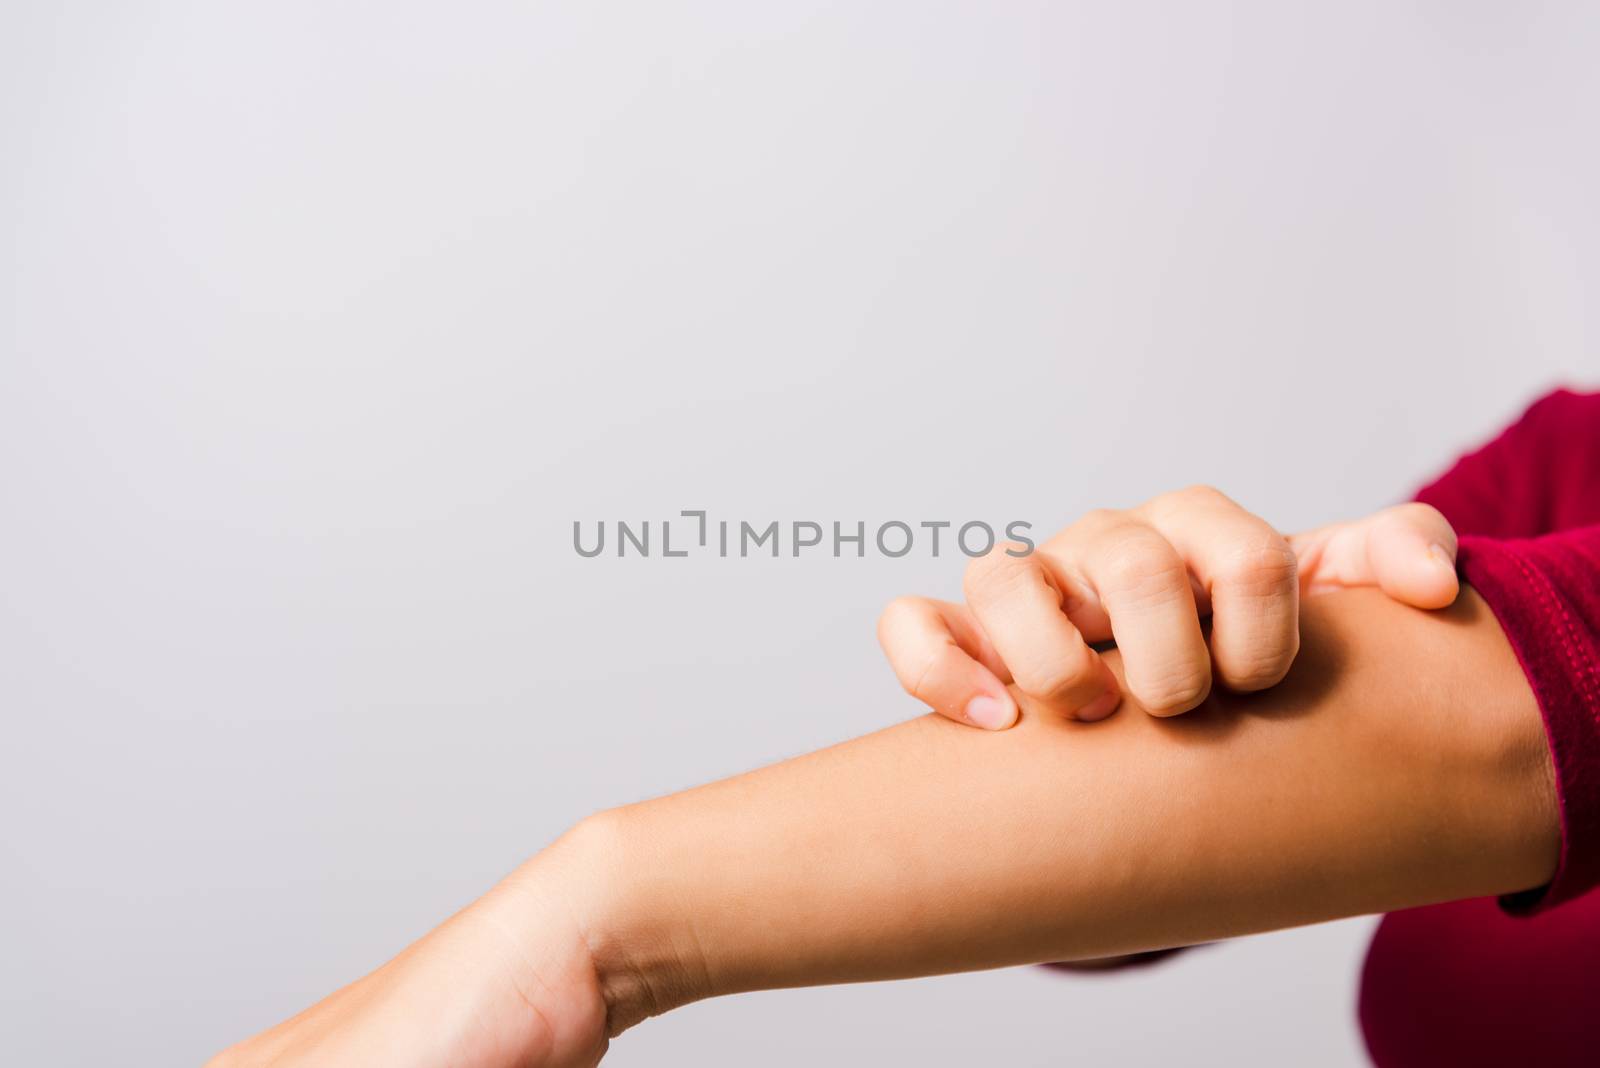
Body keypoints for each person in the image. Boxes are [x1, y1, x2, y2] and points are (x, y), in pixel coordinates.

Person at [209, 389, 1599, 1068]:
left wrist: (584, 922)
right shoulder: (1559, 456)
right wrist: (1127, 651)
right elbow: (1202, 857)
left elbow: (1507, 728)